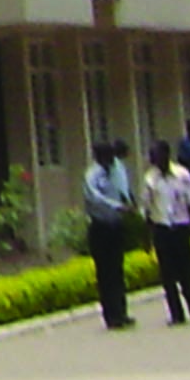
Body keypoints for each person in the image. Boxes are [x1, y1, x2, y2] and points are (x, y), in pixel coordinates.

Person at [80, 140, 142, 329]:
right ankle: (110, 316)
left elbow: (124, 189)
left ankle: (121, 312)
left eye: (111, 157)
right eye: (105, 157)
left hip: (116, 226)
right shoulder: (92, 175)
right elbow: (94, 198)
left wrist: (130, 202)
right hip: (100, 227)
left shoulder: (117, 169)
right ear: (98, 157)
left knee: (117, 270)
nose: (109, 160)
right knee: (104, 273)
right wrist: (118, 206)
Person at [141, 140, 190, 324]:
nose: (154, 160)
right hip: (162, 230)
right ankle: (176, 314)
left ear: (167, 155)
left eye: (157, 156)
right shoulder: (150, 179)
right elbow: (146, 209)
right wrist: (147, 237)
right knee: (167, 274)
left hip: (180, 228)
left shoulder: (182, 175)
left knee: (186, 271)